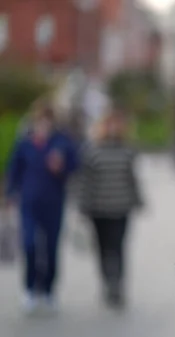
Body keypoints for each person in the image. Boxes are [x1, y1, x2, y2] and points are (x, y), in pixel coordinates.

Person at [5, 103, 78, 314]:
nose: (43, 125)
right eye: (40, 120)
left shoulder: (62, 142)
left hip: (53, 203)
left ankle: (48, 289)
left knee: (51, 248)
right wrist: (9, 194)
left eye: (47, 120)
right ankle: (29, 288)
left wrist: (61, 167)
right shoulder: (25, 143)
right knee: (29, 245)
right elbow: (14, 169)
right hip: (28, 203)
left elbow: (75, 166)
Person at [78, 109, 143, 308]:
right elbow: (86, 181)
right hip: (98, 208)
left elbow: (132, 179)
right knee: (102, 247)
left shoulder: (127, 151)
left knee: (118, 247)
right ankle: (107, 280)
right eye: (109, 124)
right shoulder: (92, 151)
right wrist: (83, 204)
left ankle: (117, 285)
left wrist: (138, 200)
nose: (113, 128)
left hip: (121, 207)